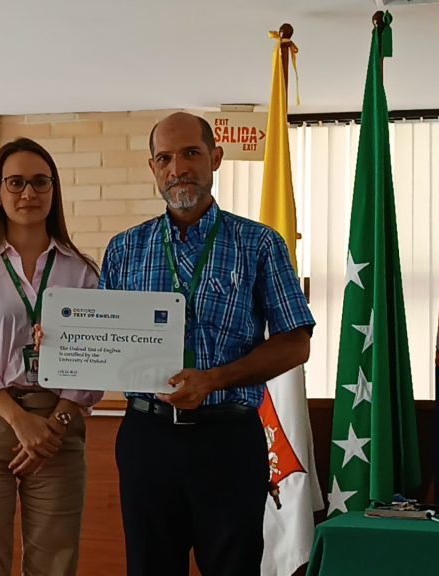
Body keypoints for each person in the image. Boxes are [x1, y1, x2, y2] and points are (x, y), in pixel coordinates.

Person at [99, 112, 315, 576]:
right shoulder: (123, 249)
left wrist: (214, 379)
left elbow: (296, 343)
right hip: (147, 438)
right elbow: (102, 340)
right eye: (165, 158)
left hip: (228, 439)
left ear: (215, 158)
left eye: (191, 153)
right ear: (153, 168)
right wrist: (58, 341)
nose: (178, 168)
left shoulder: (259, 244)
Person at [0, 138, 103, 576]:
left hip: (61, 422)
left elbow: (96, 360)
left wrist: (52, 426)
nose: (28, 194)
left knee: (56, 561)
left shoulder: (82, 271)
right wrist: (21, 423)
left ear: (54, 191)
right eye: (15, 182)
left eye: (40, 182)